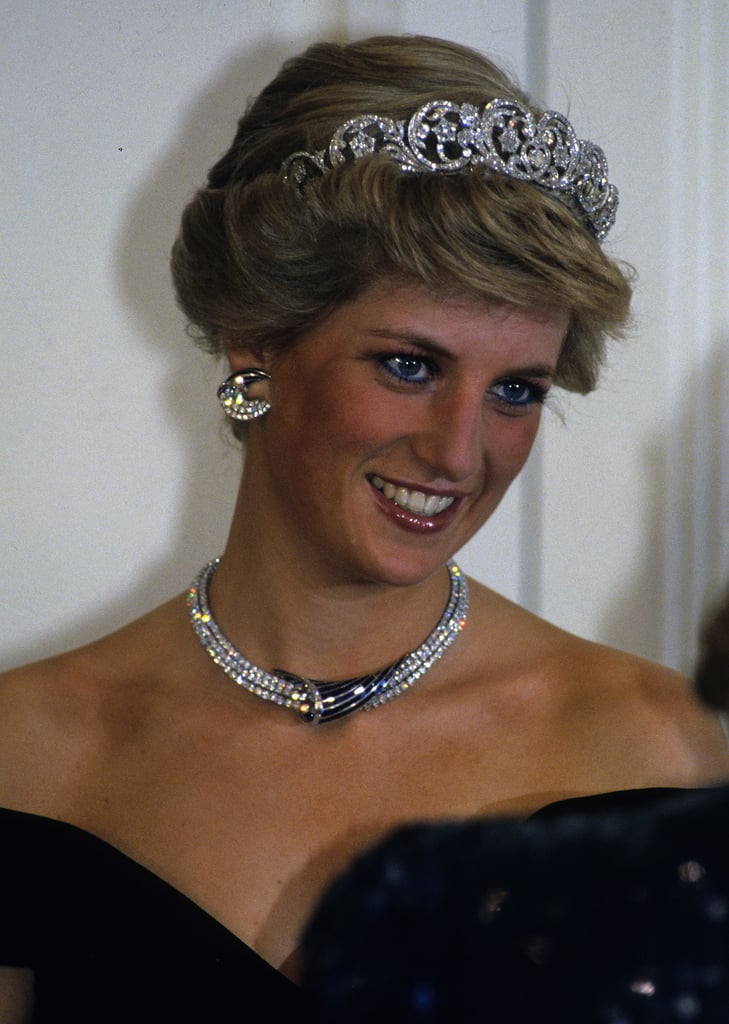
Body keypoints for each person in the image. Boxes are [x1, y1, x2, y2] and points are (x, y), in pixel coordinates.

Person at [0, 33, 727, 1022]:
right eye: (409, 365)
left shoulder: (657, 747)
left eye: (516, 389)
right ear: (256, 340)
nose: (461, 454)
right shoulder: (27, 754)